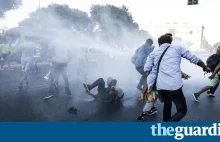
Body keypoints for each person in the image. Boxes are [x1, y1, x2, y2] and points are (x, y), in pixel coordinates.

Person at [144, 33, 210, 122]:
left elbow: (147, 70)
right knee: (182, 111)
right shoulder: (177, 48)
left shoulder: (154, 53)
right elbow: (194, 59)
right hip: (173, 86)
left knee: (167, 105)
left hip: (160, 86)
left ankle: (165, 129)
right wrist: (205, 67)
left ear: (159, 43)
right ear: (170, 42)